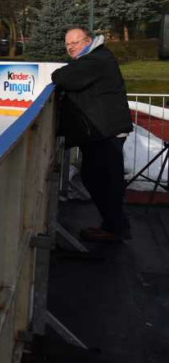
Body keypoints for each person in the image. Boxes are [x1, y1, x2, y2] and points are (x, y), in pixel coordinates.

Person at [52, 27, 134, 242]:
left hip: (106, 131)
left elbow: (63, 77)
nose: (70, 47)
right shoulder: (94, 58)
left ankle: (116, 228)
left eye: (75, 42)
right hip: (101, 130)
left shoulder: (97, 60)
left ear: (89, 41)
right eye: (68, 44)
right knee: (96, 177)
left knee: (105, 179)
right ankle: (114, 225)